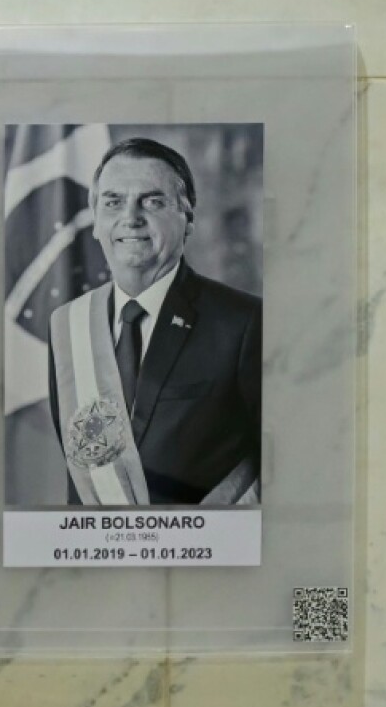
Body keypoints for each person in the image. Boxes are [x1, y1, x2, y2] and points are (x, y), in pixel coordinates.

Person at [48, 137, 262, 506]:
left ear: (188, 217)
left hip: (204, 556)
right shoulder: (68, 325)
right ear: (96, 219)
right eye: (113, 202)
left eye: (152, 201)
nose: (130, 218)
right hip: (100, 556)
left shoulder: (244, 323)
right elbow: (83, 468)